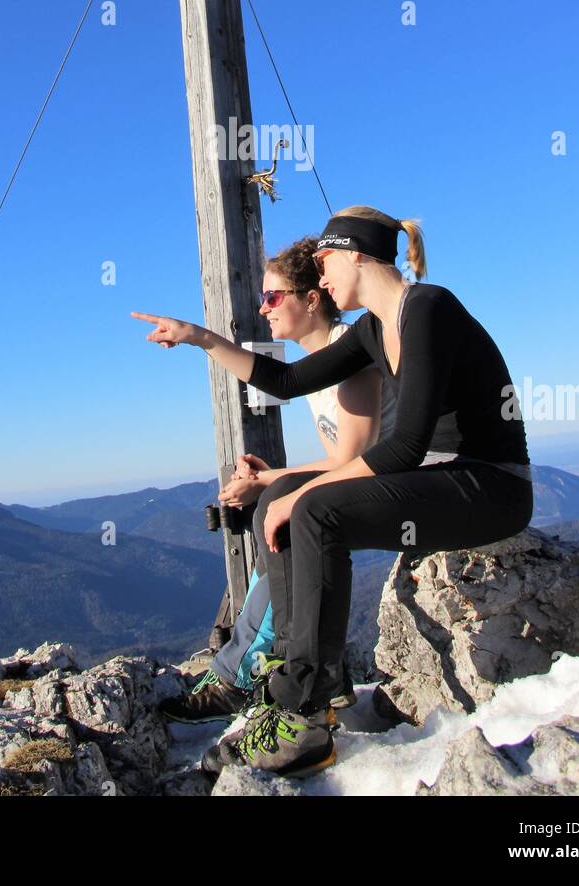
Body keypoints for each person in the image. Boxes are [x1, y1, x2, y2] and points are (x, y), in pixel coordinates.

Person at [132, 205, 533, 780]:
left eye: (324, 262)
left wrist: (301, 494)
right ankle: (293, 685)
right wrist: (200, 339)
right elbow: (288, 381)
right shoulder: (377, 325)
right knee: (281, 501)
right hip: (443, 478)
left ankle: (305, 716)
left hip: (490, 485)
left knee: (312, 508)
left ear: (355, 253)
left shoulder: (426, 308)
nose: (320, 278)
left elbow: (406, 448)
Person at [159, 234, 400, 725]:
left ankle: (257, 674)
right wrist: (267, 478)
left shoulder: (349, 359)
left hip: (408, 487)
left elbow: (352, 459)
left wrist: (270, 483)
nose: (264, 308)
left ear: (312, 300)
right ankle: (247, 665)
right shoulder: (322, 361)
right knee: (276, 508)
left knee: (285, 515)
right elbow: (337, 453)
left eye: (273, 297)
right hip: (382, 481)